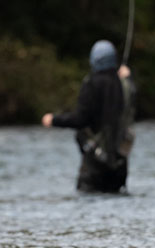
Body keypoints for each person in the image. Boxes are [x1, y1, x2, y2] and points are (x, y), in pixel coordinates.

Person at [42, 40, 135, 193]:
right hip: (120, 166)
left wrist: (54, 120)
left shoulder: (91, 84)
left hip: (95, 166)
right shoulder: (126, 85)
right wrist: (127, 77)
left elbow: (80, 119)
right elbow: (131, 104)